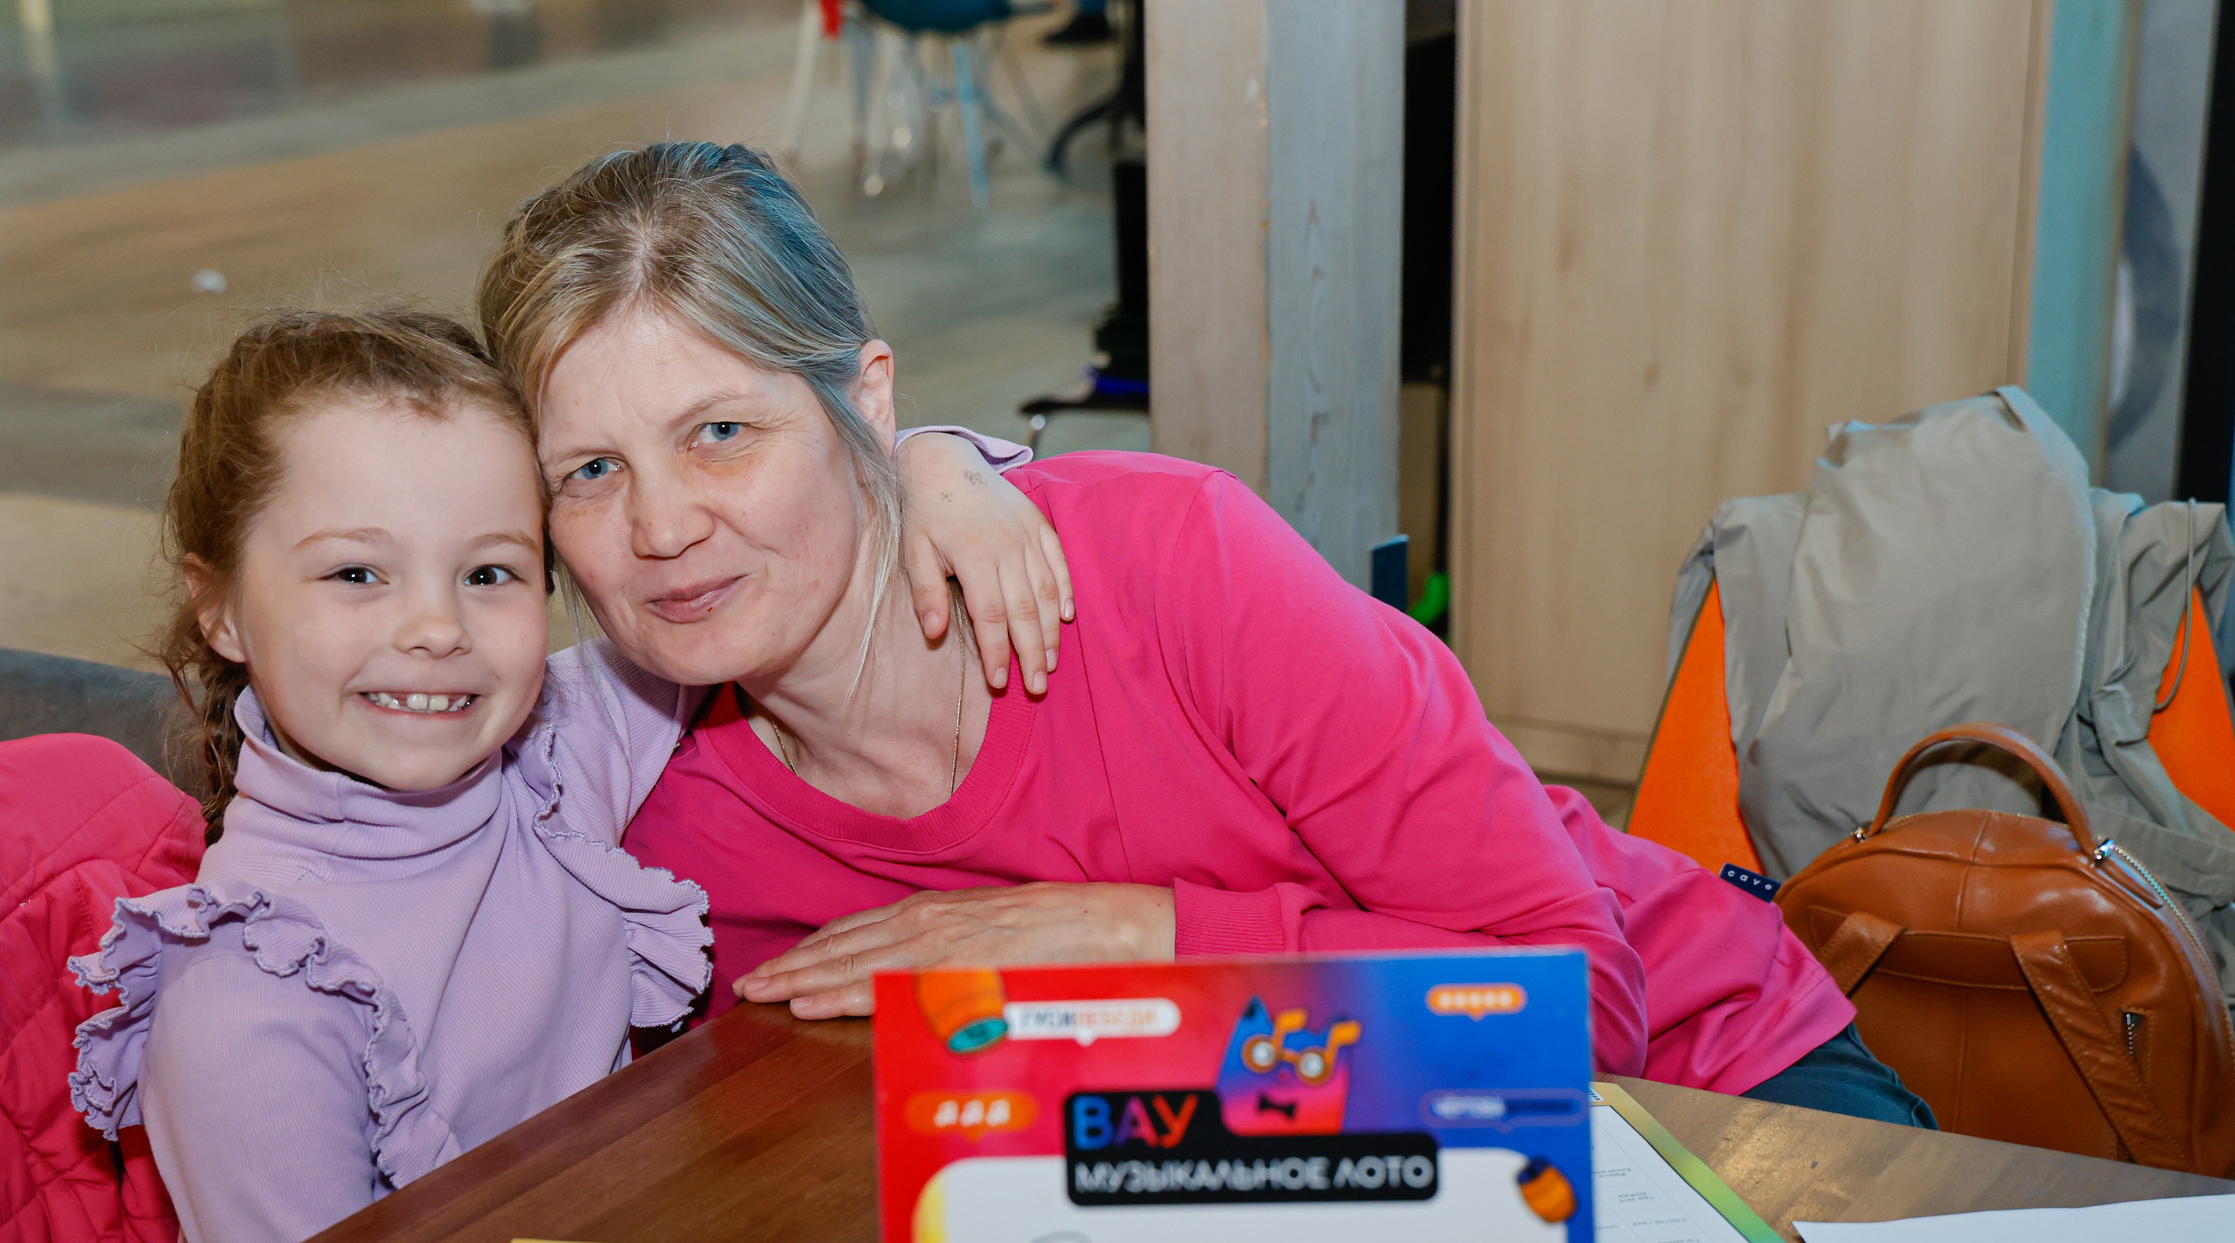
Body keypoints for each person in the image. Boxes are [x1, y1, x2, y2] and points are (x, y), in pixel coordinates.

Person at [479, 141, 1935, 1127]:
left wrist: (1126, 936)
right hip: (1264, 1190)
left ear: (866, 406)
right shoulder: (643, 798)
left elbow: (1573, 1007)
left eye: (721, 432)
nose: (660, 527)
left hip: (1704, 1091)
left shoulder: (1168, 562)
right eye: (588, 474)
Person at [68, 307, 1068, 1243]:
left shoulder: (557, 749)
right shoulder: (251, 998)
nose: (433, 627)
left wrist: (931, 468)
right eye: (356, 573)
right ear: (222, 607)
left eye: (490, 572)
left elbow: (760, 569)